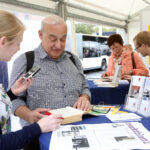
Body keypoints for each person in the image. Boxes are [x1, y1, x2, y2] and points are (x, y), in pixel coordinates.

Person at [9, 15, 91, 149]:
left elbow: (84, 86)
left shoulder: (74, 60)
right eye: (53, 39)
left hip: (77, 133)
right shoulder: (26, 61)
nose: (58, 45)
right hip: (39, 139)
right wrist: (28, 115)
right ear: (40, 35)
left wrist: (84, 96)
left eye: (63, 39)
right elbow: (13, 99)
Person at [0, 10, 62, 150]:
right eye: (17, 43)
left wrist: (11, 93)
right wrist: (38, 128)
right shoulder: (23, 60)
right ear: (3, 41)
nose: (18, 49)